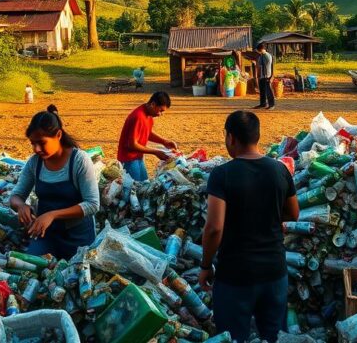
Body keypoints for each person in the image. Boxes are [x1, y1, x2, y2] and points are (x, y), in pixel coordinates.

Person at [199, 111, 299, 343]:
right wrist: (268, 217)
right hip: (274, 271)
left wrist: (205, 265)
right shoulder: (280, 170)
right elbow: (293, 213)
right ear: (257, 136)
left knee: (233, 338)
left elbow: (214, 227)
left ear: (231, 138)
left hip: (235, 275)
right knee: (273, 336)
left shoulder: (222, 174)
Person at [9, 105, 99, 259]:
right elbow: (15, 196)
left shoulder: (79, 160)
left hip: (78, 236)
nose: (36, 149)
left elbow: (92, 204)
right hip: (46, 234)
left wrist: (52, 215)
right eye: (32, 143)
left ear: (58, 135)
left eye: (41, 143)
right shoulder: (34, 163)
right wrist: (21, 205)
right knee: (32, 269)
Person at [117, 91, 179, 181]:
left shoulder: (148, 115)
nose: (160, 114)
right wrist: (155, 152)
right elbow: (132, 144)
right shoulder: (138, 116)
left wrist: (164, 141)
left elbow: (147, 132)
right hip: (128, 159)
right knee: (135, 187)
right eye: (161, 110)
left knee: (144, 183)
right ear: (153, 104)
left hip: (138, 157)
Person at [254, 43, 275, 110]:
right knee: (262, 91)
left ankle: (272, 105)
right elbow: (259, 65)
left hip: (267, 76)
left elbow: (267, 66)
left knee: (269, 91)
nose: (257, 52)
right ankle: (263, 104)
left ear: (262, 49)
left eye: (258, 50)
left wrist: (270, 77)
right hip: (262, 76)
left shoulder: (267, 56)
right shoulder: (261, 56)